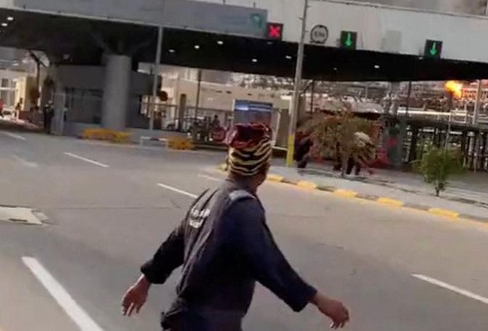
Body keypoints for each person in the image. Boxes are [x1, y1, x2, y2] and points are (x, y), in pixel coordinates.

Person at [121, 123, 350, 330]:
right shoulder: (243, 208)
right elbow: (270, 265)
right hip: (209, 324)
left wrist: (144, 283)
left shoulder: (209, 196)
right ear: (264, 169)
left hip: (187, 320)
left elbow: (172, 248)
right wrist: (320, 300)